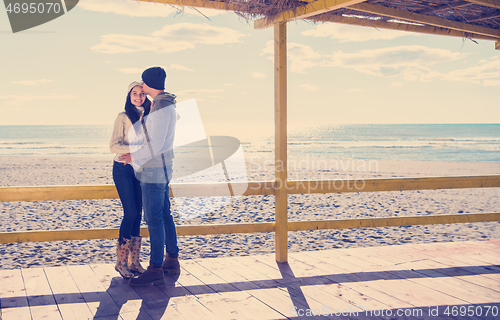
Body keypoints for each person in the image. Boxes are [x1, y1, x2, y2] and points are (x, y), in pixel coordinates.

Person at [120, 67, 180, 286]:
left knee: (154, 218)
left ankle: (155, 267)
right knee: (164, 214)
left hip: (155, 168)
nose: (141, 88)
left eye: (143, 84)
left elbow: (155, 142)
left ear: (147, 83)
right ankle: (171, 260)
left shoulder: (162, 106)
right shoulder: (163, 104)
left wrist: (133, 157)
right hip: (162, 166)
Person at [109, 81, 150, 279]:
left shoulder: (148, 116)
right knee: (131, 212)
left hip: (139, 170)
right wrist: (134, 151)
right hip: (123, 169)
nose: (138, 97)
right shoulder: (123, 117)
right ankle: (120, 263)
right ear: (129, 95)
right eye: (135, 93)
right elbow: (113, 145)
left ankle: (134, 263)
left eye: (142, 93)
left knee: (138, 214)